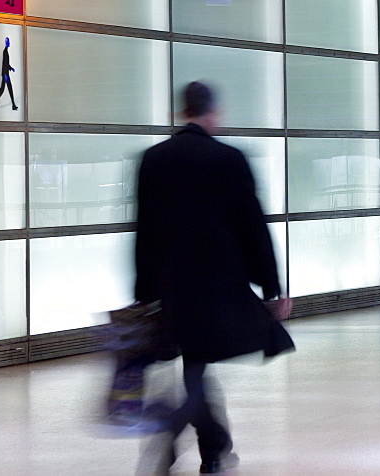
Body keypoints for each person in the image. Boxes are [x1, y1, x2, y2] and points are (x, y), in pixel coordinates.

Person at [134, 81, 293, 475]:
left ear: (181, 112)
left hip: (173, 288)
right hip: (220, 287)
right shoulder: (229, 158)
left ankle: (215, 448)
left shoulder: (154, 159)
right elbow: (253, 226)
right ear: (211, 113)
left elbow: (145, 231)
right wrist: (272, 287)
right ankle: (180, 435)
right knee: (197, 365)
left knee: (194, 366)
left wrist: (143, 291)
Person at [0, 37, 18, 111]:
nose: (9, 43)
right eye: (8, 42)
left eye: (9, 42)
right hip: (5, 74)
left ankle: (13, 104)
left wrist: (10, 68)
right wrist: (5, 75)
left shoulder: (6, 51)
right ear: (5, 43)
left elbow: (6, 64)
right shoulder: (5, 51)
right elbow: (4, 64)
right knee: (3, 89)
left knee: (8, 89)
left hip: (6, 73)